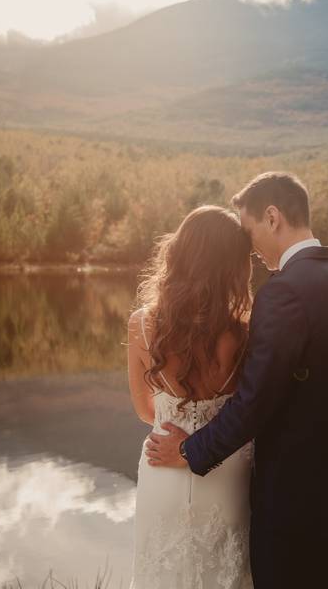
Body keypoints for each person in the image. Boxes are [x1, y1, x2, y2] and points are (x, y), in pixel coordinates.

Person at [146, 171, 328, 588]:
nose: (249, 248)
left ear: (273, 217)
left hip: (288, 500)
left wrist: (191, 450)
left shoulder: (282, 292)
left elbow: (254, 402)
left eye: (250, 230)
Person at [126, 205, 255, 589]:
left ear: (179, 252)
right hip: (227, 469)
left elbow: (144, 410)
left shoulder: (142, 325)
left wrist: (179, 439)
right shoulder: (245, 331)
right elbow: (252, 408)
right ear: (233, 264)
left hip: (161, 464)